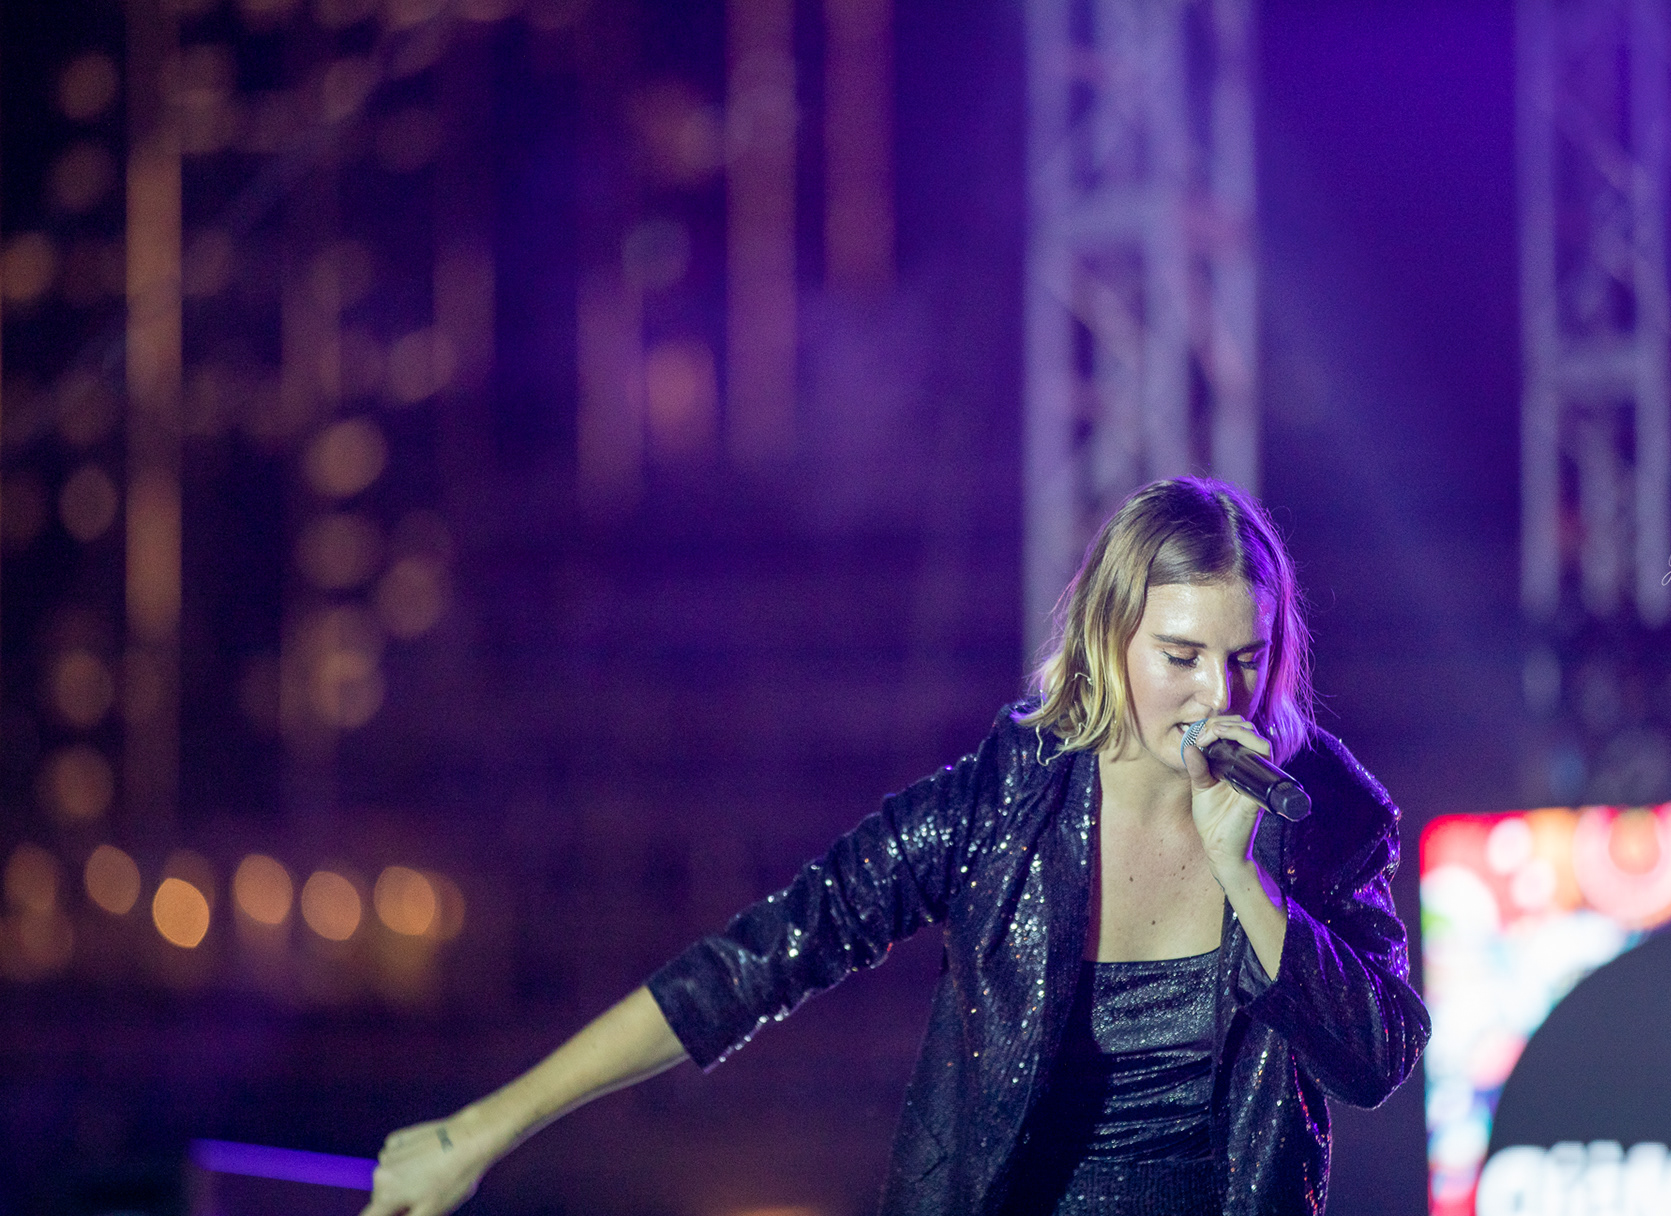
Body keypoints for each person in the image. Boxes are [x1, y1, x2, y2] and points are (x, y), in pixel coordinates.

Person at [359, 476, 1429, 1216]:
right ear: (1111, 638)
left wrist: (1247, 879)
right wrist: (483, 1129)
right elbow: (757, 961)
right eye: (1181, 655)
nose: (1217, 695)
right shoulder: (1002, 804)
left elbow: (1376, 1058)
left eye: (1247, 658)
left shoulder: (1321, 813)